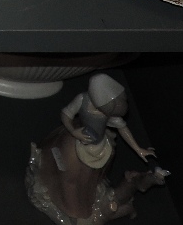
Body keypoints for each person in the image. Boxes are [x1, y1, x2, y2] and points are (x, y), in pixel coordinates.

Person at [27, 73, 163, 224]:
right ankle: (71, 208)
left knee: (88, 177)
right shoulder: (82, 100)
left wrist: (139, 149)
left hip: (98, 146)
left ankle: (86, 198)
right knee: (69, 176)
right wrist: (73, 131)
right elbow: (66, 114)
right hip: (77, 142)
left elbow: (122, 128)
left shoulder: (108, 113)